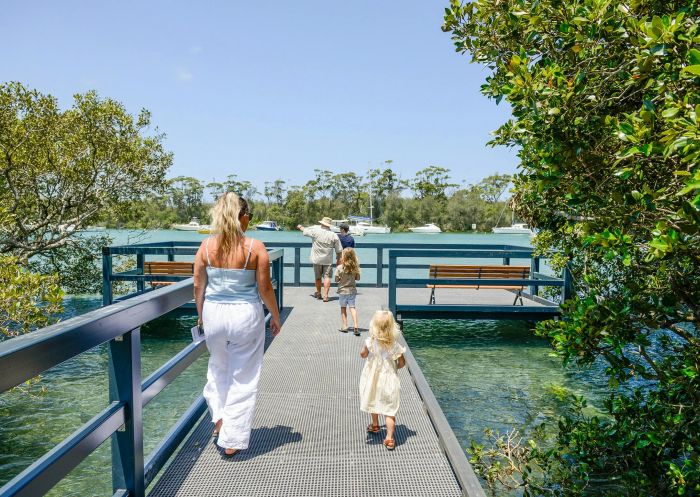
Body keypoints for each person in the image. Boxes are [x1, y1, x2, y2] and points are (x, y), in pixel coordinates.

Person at [193, 192, 282, 457]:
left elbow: (199, 285)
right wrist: (275, 316)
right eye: (249, 216)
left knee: (218, 367)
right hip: (245, 314)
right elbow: (265, 288)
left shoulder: (206, 247)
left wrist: (201, 315)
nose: (249, 221)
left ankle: (220, 419)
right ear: (242, 217)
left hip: (213, 314)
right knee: (243, 376)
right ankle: (232, 439)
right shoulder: (255, 248)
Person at [359, 310, 406, 451]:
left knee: (374, 401)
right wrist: (394, 368)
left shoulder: (370, 342)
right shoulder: (395, 345)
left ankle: (375, 425)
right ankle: (390, 438)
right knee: (390, 410)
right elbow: (402, 363)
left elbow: (363, 355)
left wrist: (366, 352)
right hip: (389, 380)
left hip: (373, 380)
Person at [296, 217, 342, 302]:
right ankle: (326, 296)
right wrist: (338, 259)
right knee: (327, 277)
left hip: (316, 259)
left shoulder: (315, 231)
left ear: (321, 224)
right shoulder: (333, 235)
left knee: (317, 277)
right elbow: (339, 250)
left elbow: (305, 231)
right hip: (328, 260)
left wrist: (300, 227)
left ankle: (318, 293)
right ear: (329, 225)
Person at [336, 247, 360, 335]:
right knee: (352, 307)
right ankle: (356, 326)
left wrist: (340, 278)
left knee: (343, 308)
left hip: (342, 291)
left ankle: (345, 326)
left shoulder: (339, 267)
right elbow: (358, 278)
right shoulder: (355, 268)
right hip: (352, 291)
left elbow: (336, 280)